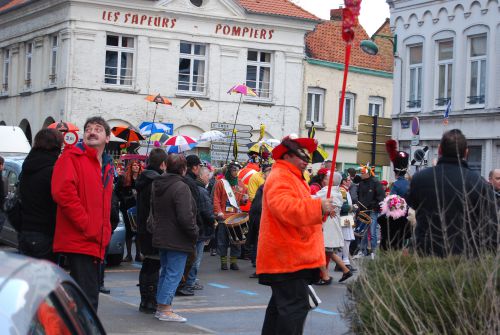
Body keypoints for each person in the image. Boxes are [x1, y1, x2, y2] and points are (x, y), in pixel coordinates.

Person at [257, 135, 335, 335]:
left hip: (290, 257)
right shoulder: (281, 176)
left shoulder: (291, 176)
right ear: (288, 155)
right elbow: (285, 208)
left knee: (280, 310)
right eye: (302, 155)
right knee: (293, 310)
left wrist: (320, 210)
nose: (306, 160)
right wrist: (318, 206)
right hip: (288, 257)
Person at [51, 116, 114, 311]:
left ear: (107, 138)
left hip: (95, 241)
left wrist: (104, 231)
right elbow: (63, 193)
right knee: (87, 302)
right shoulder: (72, 157)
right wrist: (87, 225)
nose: (92, 131)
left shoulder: (107, 166)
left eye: (98, 129)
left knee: (85, 299)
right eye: (88, 129)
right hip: (80, 239)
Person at [408, 129, 498, 257]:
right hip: (465, 261)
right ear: (466, 152)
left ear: (439, 150)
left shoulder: (419, 179)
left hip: (426, 256)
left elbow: (413, 205)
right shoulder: (479, 183)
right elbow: (491, 227)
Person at [150, 154, 198, 322]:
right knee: (174, 273)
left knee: (166, 272)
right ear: (183, 169)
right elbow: (185, 217)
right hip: (177, 236)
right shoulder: (180, 187)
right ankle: (165, 309)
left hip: (162, 234)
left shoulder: (159, 184)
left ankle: (161, 307)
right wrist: (194, 233)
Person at [18, 129, 63, 262]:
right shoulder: (53, 169)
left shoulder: (28, 166)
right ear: (56, 145)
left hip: (25, 230)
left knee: (28, 278)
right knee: (45, 279)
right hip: (45, 232)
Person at [136, 148, 167, 313]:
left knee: (147, 265)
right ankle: (151, 300)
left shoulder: (144, 179)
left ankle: (144, 301)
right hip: (154, 228)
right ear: (162, 164)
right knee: (154, 265)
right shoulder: (157, 181)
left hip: (142, 228)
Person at [314, 172, 353, 284]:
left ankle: (325, 276)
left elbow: (312, 198)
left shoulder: (327, 191)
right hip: (335, 222)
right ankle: (345, 269)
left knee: (320, 250)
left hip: (329, 223)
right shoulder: (339, 191)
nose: (324, 179)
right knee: (329, 251)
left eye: (326, 177)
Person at [183, 166, 215, 294]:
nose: (209, 179)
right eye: (207, 176)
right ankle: (190, 283)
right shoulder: (201, 190)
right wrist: (214, 220)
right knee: (196, 259)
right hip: (200, 229)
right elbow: (207, 212)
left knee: (192, 257)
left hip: (196, 227)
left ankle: (189, 281)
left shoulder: (195, 188)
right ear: (202, 176)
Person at [213, 161, 248, 270]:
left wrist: (244, 200)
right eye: (233, 170)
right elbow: (216, 199)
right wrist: (218, 212)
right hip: (224, 217)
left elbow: (241, 202)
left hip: (235, 217)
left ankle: (233, 262)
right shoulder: (220, 183)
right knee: (222, 240)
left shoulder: (241, 184)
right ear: (229, 170)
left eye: (237, 170)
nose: (236, 172)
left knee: (236, 241)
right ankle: (223, 262)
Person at [115, 160, 143, 262]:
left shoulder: (142, 178)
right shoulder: (124, 178)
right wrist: (125, 198)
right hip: (126, 208)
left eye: (138, 165)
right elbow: (117, 192)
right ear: (130, 167)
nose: (136, 167)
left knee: (138, 231)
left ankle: (138, 254)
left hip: (139, 208)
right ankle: (129, 255)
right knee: (129, 231)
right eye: (134, 165)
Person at [356, 163, 384, 258]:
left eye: (363, 172)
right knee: (363, 231)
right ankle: (362, 251)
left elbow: (381, 197)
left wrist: (374, 205)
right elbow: (359, 196)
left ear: (368, 173)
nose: (361, 174)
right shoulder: (361, 183)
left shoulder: (376, 182)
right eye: (361, 172)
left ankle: (373, 252)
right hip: (363, 210)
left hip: (372, 210)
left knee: (372, 232)